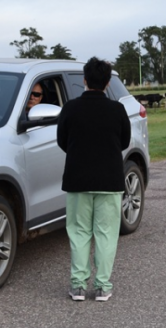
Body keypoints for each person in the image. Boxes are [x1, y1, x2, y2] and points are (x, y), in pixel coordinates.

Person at [57, 57, 131, 302]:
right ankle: (102, 286)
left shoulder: (70, 108)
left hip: (78, 180)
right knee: (106, 234)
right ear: (108, 82)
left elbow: (62, 141)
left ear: (84, 80)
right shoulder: (117, 110)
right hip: (110, 181)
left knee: (79, 233)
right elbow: (124, 142)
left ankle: (78, 285)